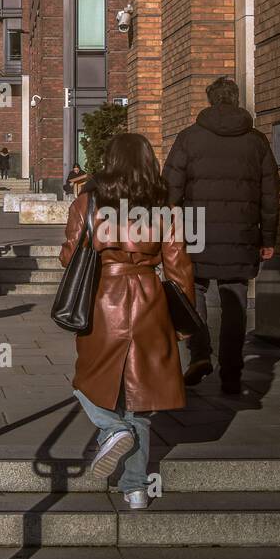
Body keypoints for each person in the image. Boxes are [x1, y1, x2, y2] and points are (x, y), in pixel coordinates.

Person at [61, 132, 195, 509]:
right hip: (150, 299)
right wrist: (183, 322)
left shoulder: (88, 202)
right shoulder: (163, 207)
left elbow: (69, 257)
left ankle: (110, 426)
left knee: (86, 381)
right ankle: (136, 490)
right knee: (139, 399)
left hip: (104, 300)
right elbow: (179, 265)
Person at [163, 76, 280, 395]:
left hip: (196, 229)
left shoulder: (189, 138)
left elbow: (169, 188)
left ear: (210, 100)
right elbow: (271, 193)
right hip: (242, 231)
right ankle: (231, 371)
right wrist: (268, 239)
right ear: (237, 99)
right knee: (235, 299)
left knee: (195, 289)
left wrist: (166, 228)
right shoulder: (256, 141)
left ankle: (200, 356)